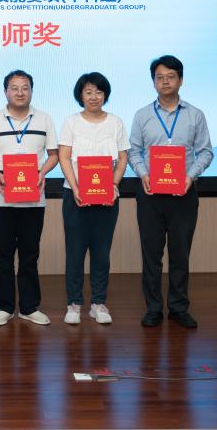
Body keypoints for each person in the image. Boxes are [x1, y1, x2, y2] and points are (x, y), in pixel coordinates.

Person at [128, 55, 213, 329]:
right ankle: (153, 308)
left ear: (181, 80)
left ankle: (178, 308)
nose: (165, 81)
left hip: (183, 195)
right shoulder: (142, 115)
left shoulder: (195, 115)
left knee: (180, 254)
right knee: (151, 255)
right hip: (150, 195)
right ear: (153, 81)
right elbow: (133, 152)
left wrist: (190, 177)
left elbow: (206, 152)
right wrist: (143, 174)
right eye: (159, 77)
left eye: (171, 76)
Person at [0, 69, 59, 327]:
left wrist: (42, 172)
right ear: (5, 92)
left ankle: (29, 307)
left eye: (25, 88)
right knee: (3, 256)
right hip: (0, 200)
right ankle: (5, 307)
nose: (20, 92)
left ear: (31, 91)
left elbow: (54, 155)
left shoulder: (44, 119)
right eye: (14, 88)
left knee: (30, 255)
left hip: (34, 198)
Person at [57, 72, 129, 326]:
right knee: (75, 253)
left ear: (105, 95)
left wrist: (113, 185)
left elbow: (122, 158)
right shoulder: (71, 122)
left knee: (101, 252)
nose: (94, 97)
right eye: (88, 92)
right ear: (81, 95)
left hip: (107, 197)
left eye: (98, 92)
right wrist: (76, 187)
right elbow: (64, 156)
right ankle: (74, 304)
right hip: (75, 196)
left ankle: (98, 304)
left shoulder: (116, 122)